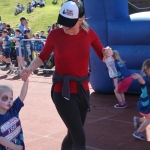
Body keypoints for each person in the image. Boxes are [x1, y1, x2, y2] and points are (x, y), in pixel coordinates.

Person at [20, 1, 111, 149]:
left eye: (69, 24)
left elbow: (103, 56)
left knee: (72, 136)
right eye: (63, 23)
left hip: (82, 91)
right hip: (62, 92)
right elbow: (42, 56)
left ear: (80, 21)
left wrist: (108, 53)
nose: (64, 27)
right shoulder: (55, 35)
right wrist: (29, 69)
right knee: (80, 138)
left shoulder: (89, 34)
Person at [0, 78, 29, 150]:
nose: (9, 101)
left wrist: (26, 80)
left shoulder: (13, 109)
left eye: (11, 98)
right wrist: (15, 147)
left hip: (18, 145)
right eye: (5, 98)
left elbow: (22, 95)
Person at [132, 59, 150, 141]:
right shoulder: (145, 79)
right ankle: (138, 132)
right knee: (149, 119)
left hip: (147, 103)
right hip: (146, 103)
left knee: (147, 118)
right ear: (147, 69)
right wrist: (139, 77)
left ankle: (138, 120)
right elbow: (142, 82)